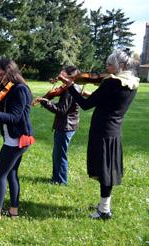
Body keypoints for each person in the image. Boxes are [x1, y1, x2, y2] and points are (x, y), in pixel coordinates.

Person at [58, 48, 139, 220]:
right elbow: (110, 101)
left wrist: (71, 86)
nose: (107, 67)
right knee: (107, 170)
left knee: (104, 172)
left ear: (121, 65)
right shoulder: (131, 83)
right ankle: (104, 206)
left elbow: (86, 105)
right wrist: (94, 94)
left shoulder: (112, 82)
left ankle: (104, 211)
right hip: (114, 131)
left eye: (110, 64)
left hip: (102, 131)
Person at [0, 58, 35, 220]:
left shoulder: (20, 89)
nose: (0, 78)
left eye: (2, 74)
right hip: (14, 137)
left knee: (0, 175)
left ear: (11, 71)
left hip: (17, 139)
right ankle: (13, 210)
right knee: (11, 173)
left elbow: (14, 117)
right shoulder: (9, 89)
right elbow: (4, 109)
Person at [33, 66, 82, 185]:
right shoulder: (72, 88)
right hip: (67, 125)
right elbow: (63, 105)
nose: (60, 78)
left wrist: (46, 102)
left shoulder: (70, 90)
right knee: (58, 154)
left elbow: (61, 110)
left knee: (60, 155)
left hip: (66, 126)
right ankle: (56, 178)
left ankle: (60, 181)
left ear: (69, 76)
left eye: (63, 75)